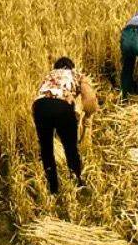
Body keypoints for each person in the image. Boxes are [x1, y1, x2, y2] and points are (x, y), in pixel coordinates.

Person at [31, 57, 99, 194]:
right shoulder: (76, 74)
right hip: (62, 107)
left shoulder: (49, 76)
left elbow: (43, 95)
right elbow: (90, 99)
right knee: (70, 146)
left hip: (39, 106)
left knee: (46, 148)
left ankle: (53, 187)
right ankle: (78, 181)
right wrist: (88, 115)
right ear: (71, 67)